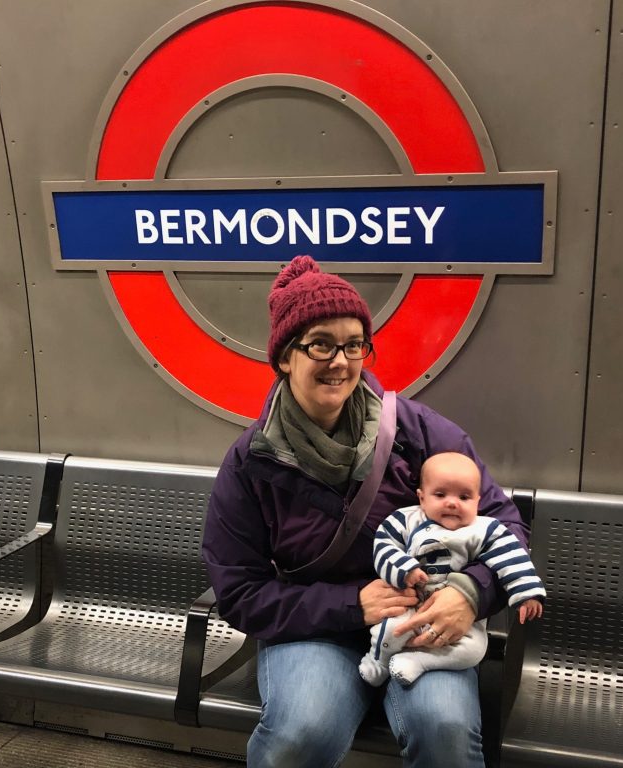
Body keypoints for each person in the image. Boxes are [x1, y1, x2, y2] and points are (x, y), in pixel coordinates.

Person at [201, 256, 531, 768]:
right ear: (285, 357)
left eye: (354, 344)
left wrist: (471, 593)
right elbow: (241, 593)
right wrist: (352, 605)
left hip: (426, 618)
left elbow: (504, 523)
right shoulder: (252, 462)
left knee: (443, 729)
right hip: (316, 627)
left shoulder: (415, 431)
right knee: (301, 734)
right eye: (321, 344)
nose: (340, 361)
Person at [359, 452, 544, 687]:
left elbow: (513, 556)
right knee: (391, 630)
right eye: (440, 494)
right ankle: (380, 661)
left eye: (464, 497)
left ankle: (420, 661)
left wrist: (527, 592)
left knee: (474, 649)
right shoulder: (404, 520)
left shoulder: (486, 529)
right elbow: (383, 547)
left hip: (458, 619)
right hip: (408, 606)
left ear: (478, 502)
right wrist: (405, 569)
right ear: (422, 497)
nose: (452, 502)